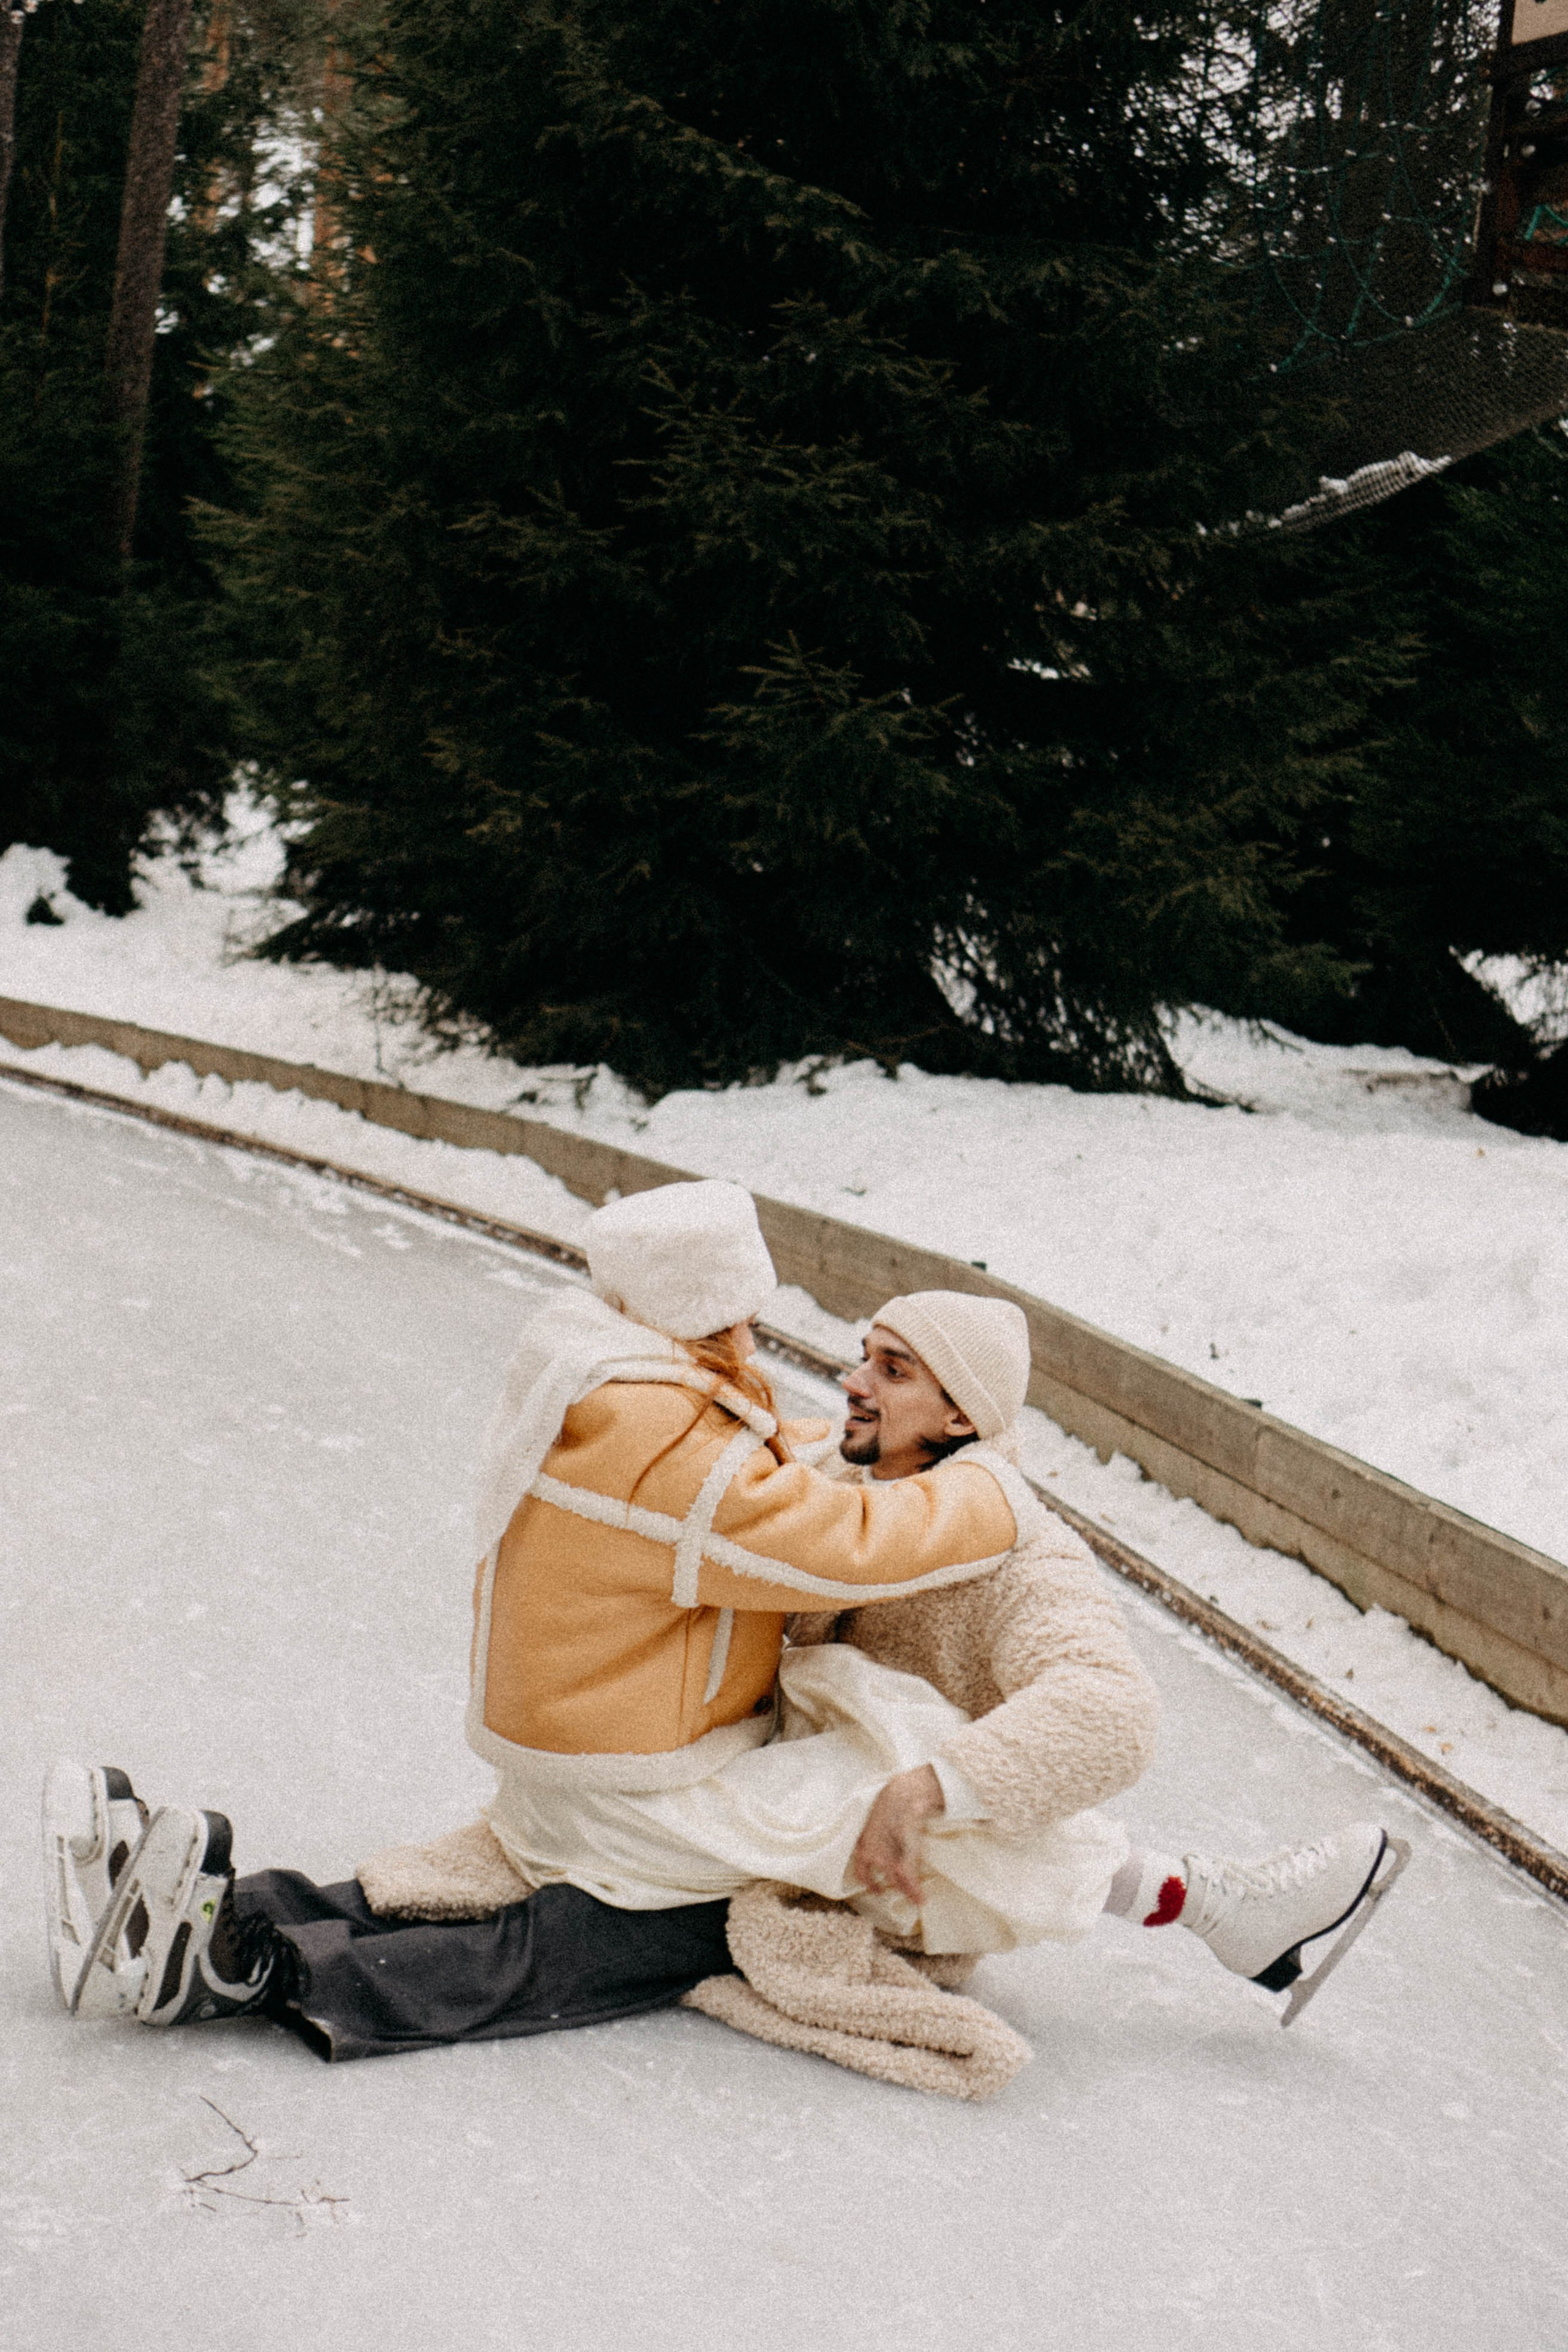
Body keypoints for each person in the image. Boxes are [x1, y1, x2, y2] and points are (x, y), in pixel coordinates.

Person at [48, 1182, 1023, 2052]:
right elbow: (839, 1542)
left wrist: (826, 1445)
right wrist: (992, 1488)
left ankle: (211, 1907)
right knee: (609, 1937)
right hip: (633, 1775)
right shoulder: (682, 1453)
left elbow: (757, 1451)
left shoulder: (602, 1381)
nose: (757, 1340)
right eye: (747, 1317)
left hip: (562, 1744)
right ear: (711, 1312)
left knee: (466, 1887)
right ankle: (252, 1969)